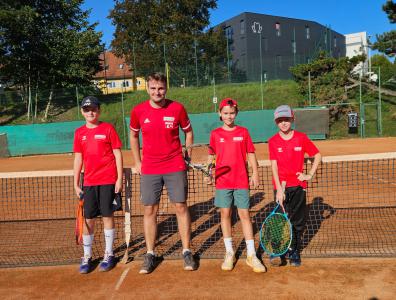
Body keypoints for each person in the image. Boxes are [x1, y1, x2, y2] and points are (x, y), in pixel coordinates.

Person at [129, 72, 196, 274]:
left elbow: (189, 132)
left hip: (175, 165)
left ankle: (186, 251)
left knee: (181, 207)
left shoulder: (178, 108)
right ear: (147, 89)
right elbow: (133, 136)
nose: (157, 92)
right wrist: (137, 161)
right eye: (153, 88)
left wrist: (187, 153)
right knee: (150, 210)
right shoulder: (138, 111)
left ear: (166, 89)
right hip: (150, 167)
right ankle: (150, 254)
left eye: (160, 88)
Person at [206, 98, 266, 273]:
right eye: (225, 113)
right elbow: (211, 155)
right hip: (222, 181)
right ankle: (229, 252)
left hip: (241, 180)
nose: (229, 116)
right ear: (220, 114)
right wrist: (210, 172)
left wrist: (255, 173)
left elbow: (251, 154)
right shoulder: (215, 134)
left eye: (232, 113)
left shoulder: (244, 132)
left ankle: (251, 254)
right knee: (225, 214)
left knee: (244, 214)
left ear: (236, 113)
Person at [73, 95, 123, 274]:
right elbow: (78, 158)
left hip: (108, 180)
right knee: (89, 219)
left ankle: (109, 254)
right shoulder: (79, 133)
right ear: (82, 112)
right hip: (89, 183)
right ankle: (87, 256)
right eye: (86, 109)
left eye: (93, 109)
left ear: (99, 110)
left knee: (108, 216)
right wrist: (76, 183)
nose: (90, 112)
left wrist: (119, 180)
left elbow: (117, 154)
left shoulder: (108, 128)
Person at [268, 104, 321, 267]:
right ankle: (277, 251)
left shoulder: (301, 138)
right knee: (279, 220)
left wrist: (309, 175)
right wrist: (278, 189)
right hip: (281, 188)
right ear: (276, 121)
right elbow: (274, 166)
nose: (283, 123)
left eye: (286, 119)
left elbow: (317, 155)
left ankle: (294, 251)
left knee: (297, 221)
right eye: (280, 120)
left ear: (292, 119)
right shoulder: (273, 141)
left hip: (298, 186)